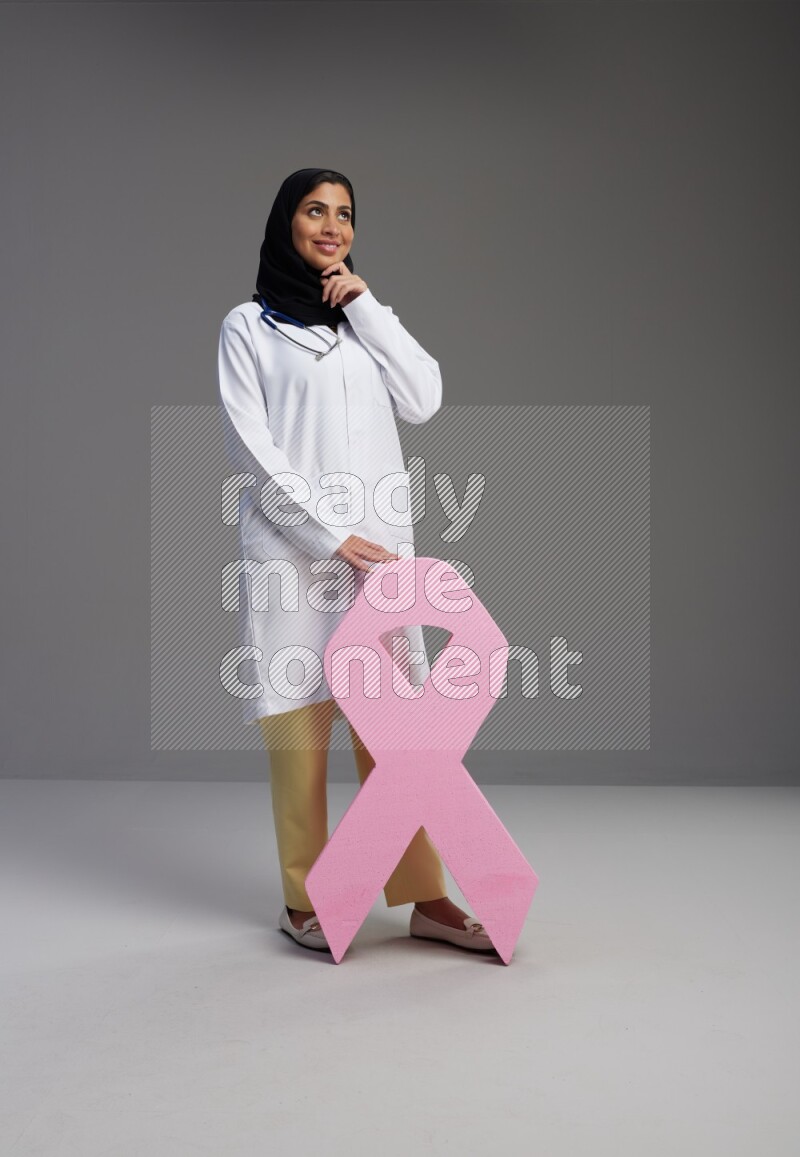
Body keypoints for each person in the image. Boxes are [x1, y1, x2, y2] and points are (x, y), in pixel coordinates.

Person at [217, 168, 494, 954]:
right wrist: (326, 534)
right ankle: (304, 899)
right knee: (299, 727)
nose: (332, 225)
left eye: (344, 214)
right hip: (295, 554)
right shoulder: (248, 327)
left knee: (399, 735)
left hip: (378, 562)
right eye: (315, 210)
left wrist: (367, 306)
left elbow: (425, 396)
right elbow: (250, 446)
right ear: (287, 222)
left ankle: (426, 897)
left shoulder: (362, 325)